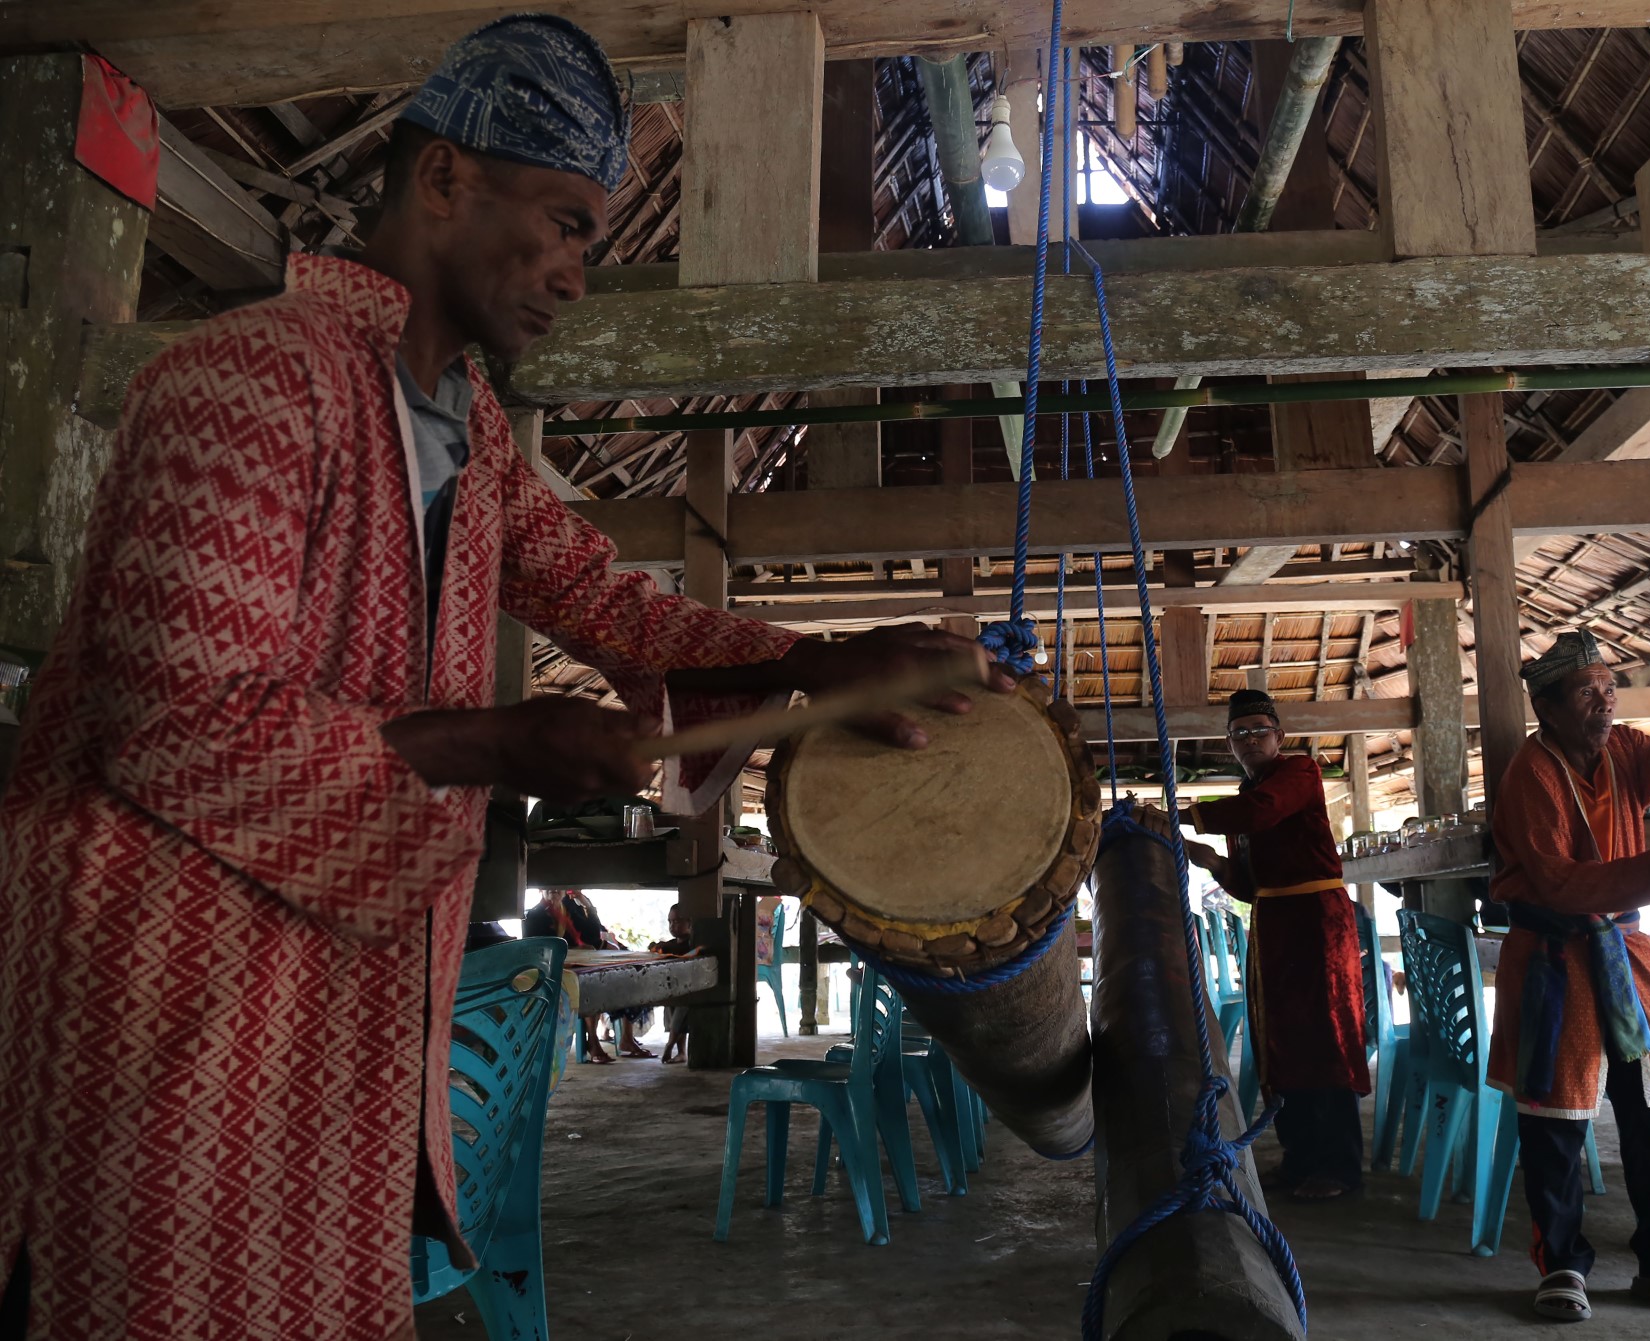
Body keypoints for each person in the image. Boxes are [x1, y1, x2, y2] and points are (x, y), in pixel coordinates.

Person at [0, 15, 1007, 1339]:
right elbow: (176, 729)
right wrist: (496, 745)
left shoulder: (465, 433)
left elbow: (603, 601)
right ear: (443, 184)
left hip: (340, 1015)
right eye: (567, 221)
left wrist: (820, 664)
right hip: (167, 1012)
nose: (579, 274)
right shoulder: (244, 379)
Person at [1486, 629, 1650, 1323]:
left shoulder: (1628, 749)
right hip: (1555, 958)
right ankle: (1562, 1266)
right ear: (1546, 707)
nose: (1603, 702)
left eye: (1609, 688)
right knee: (1555, 1119)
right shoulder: (1531, 772)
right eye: (1586, 692)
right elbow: (1559, 882)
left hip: (1628, 950)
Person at [1181, 689, 1370, 1202]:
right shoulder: (1245, 796)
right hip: (1275, 923)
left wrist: (1186, 816)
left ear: (1279, 736)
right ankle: (1299, 1157)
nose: (1249, 740)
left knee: (1324, 1038)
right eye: (1238, 734)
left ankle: (1339, 1166)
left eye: (1258, 730)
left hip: (1318, 923)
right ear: (1229, 744)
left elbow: (1264, 812)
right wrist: (1211, 860)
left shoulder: (1299, 773)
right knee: (1281, 1042)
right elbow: (1248, 885)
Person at [523, 888, 652, 1062]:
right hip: (552, 969)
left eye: (558, 886)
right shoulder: (534, 915)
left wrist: (586, 903)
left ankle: (621, 1039)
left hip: (578, 963)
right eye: (549, 886)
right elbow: (535, 948)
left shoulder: (570, 908)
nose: (554, 890)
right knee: (587, 986)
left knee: (618, 977)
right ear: (540, 890)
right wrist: (570, 951)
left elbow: (592, 933)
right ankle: (593, 1041)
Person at [648, 902, 707, 1063]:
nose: (672, 925)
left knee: (680, 1017)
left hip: (691, 990)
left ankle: (670, 1045)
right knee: (672, 1014)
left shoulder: (693, 944)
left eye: (677, 921)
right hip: (673, 989)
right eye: (670, 922)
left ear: (690, 922)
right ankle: (681, 1052)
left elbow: (683, 952)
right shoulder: (671, 944)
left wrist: (663, 947)